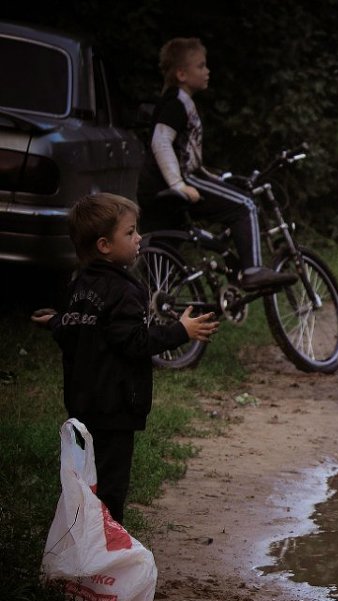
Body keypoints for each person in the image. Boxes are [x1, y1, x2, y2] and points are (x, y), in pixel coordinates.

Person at [31, 193, 218, 524]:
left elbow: (76, 328)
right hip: (115, 409)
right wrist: (180, 331)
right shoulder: (125, 291)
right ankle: (105, 553)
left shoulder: (78, 286)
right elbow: (134, 341)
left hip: (82, 405)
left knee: (82, 480)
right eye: (130, 232)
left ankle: (79, 540)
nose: (138, 238)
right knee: (111, 488)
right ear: (104, 245)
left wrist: (56, 320)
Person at [138, 38, 294, 291]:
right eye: (200, 66)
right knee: (244, 204)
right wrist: (179, 184)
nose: (207, 71)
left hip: (151, 188)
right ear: (182, 74)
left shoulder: (174, 100)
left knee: (161, 264)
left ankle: (152, 309)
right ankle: (252, 271)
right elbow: (161, 142)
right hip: (174, 181)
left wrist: (212, 176)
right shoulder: (176, 103)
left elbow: (185, 151)